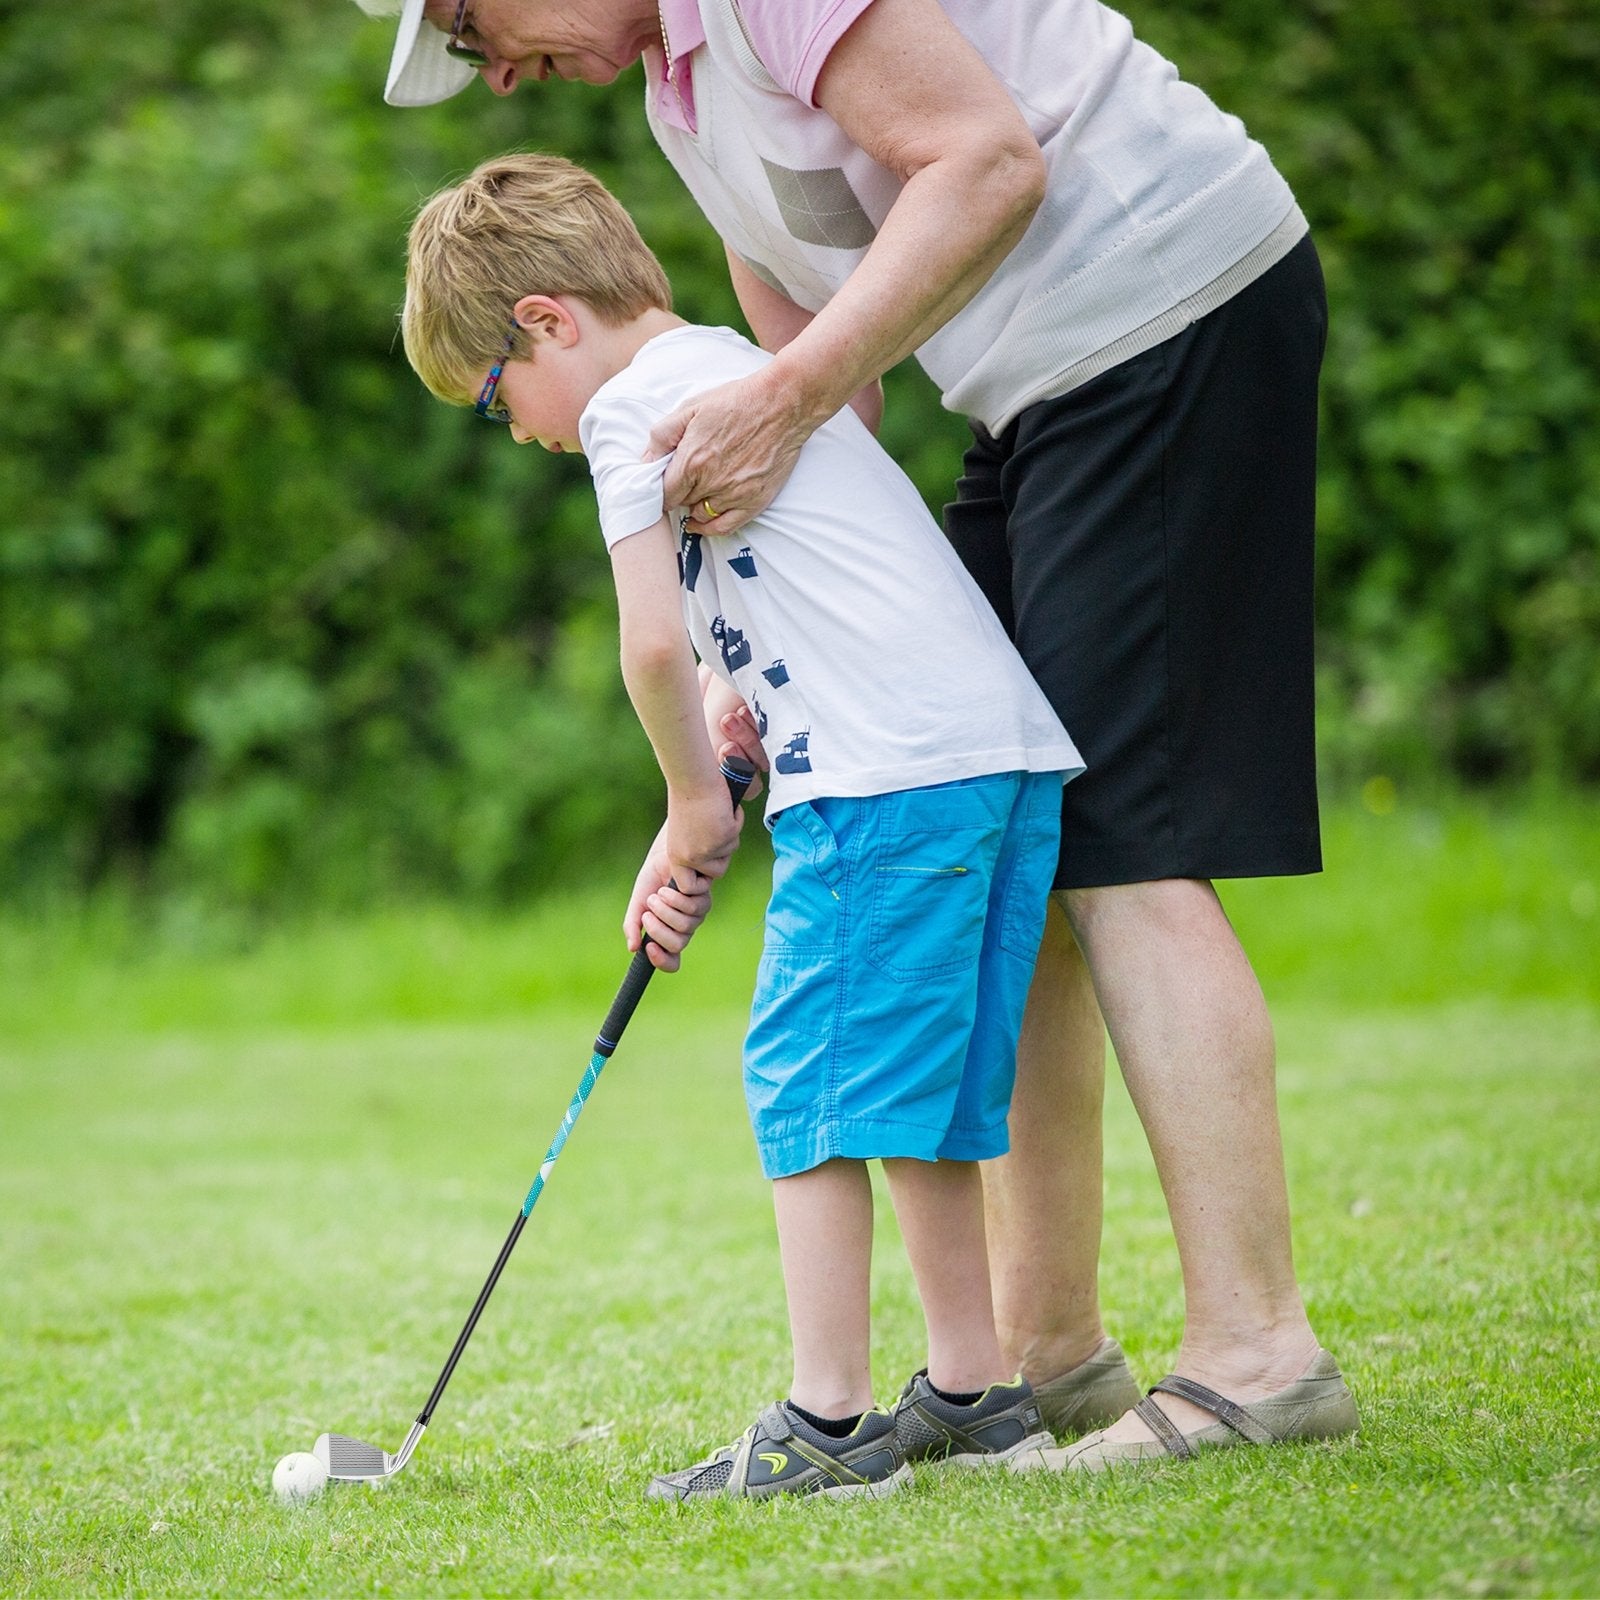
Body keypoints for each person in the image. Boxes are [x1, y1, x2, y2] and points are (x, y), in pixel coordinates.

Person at [362, 0, 1361, 1467]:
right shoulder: (677, 105)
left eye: (468, 20)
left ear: (541, 327)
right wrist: (779, 656)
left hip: (1159, 317)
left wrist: (700, 801)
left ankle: (1257, 1357)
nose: (492, 68)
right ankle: (1034, 1363)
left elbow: (980, 170)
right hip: (1031, 399)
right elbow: (824, 398)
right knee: (1048, 857)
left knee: (1130, 841)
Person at [402, 150, 1086, 1499]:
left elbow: (647, 647)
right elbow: (753, 619)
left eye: (495, 396)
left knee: (807, 1082)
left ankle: (829, 1426)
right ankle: (972, 1392)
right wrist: (734, 712)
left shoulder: (622, 415)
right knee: (922, 1099)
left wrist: (691, 807)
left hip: (886, 782)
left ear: (545, 319)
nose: (518, 428)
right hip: (996, 759)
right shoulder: (745, 363)